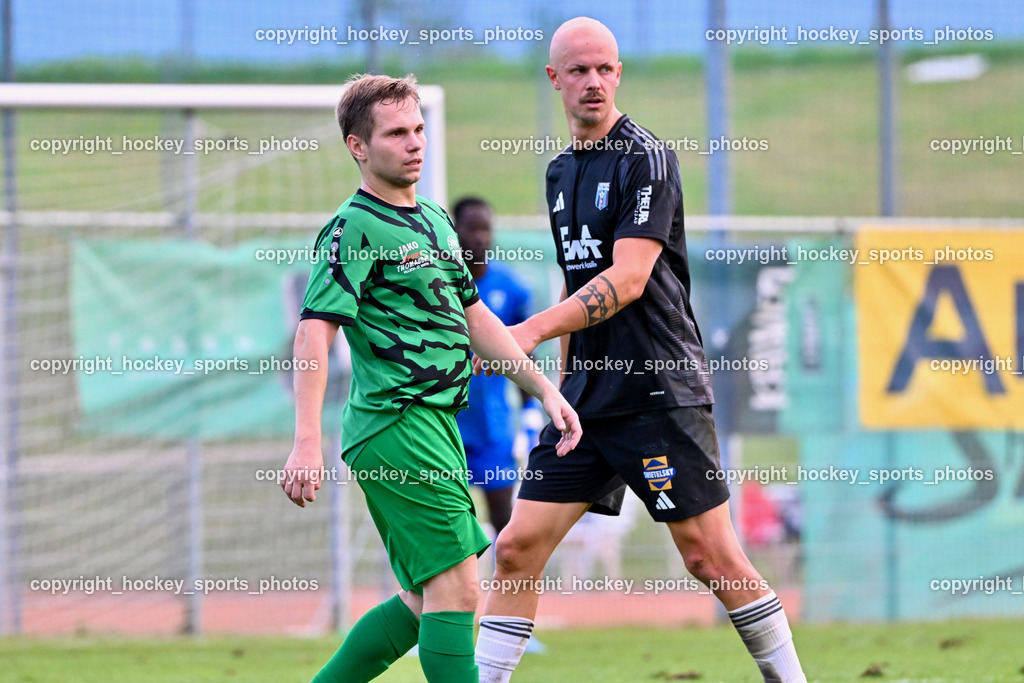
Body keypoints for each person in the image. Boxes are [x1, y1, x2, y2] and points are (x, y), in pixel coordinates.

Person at [473, 18, 807, 683]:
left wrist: (528, 332)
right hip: (585, 402)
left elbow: (627, 280)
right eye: (579, 70)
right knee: (515, 549)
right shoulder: (560, 172)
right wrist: (557, 389)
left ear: (619, 73)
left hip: (658, 391)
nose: (593, 82)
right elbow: (577, 281)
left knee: (709, 558)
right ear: (555, 79)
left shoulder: (646, 159)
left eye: (605, 68)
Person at [279, 73, 581, 683]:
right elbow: (313, 334)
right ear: (358, 147)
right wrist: (306, 440)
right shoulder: (354, 227)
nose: (415, 142)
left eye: (418, 129)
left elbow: (477, 319)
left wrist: (545, 389)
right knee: (459, 587)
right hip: (397, 424)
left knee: (425, 600)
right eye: (396, 133)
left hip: (435, 426)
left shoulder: (437, 220)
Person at [452, 196, 533, 535]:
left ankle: (505, 573)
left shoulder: (511, 288)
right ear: (454, 231)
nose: (479, 237)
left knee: (505, 524)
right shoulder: (437, 285)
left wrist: (530, 415)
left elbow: (525, 355)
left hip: (493, 429)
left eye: (485, 229)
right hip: (446, 428)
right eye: (471, 229)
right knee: (450, 527)